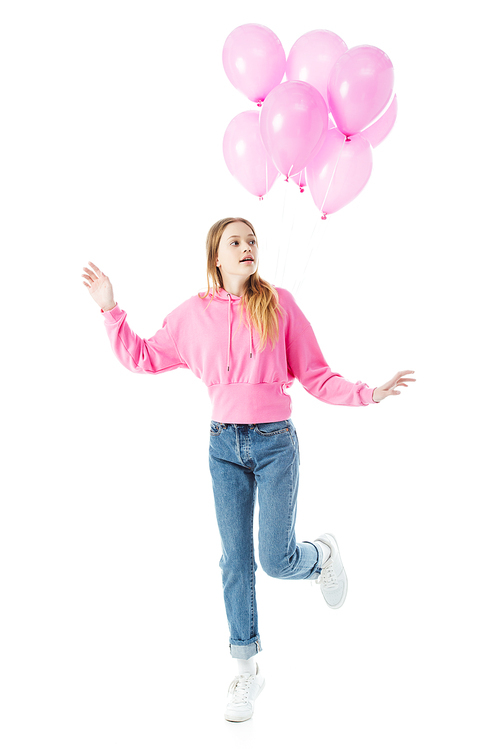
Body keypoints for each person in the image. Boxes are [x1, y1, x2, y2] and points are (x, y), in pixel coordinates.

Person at [82, 216, 415, 723]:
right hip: (222, 446)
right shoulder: (192, 314)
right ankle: (246, 669)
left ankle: (320, 554)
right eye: (235, 241)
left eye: (252, 240)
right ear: (216, 255)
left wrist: (368, 392)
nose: (247, 247)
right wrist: (110, 308)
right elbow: (144, 357)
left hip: (275, 443)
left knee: (276, 561)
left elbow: (317, 375)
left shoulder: (278, 303)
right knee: (234, 563)